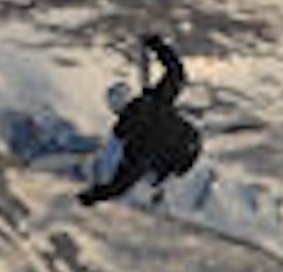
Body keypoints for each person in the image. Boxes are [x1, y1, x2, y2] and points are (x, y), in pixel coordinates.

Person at [78, 34, 201, 206]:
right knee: (144, 161)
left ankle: (157, 195)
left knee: (134, 167)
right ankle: (159, 189)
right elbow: (176, 73)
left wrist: (95, 195)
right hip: (192, 142)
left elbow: (122, 182)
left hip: (176, 165)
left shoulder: (135, 141)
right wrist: (159, 47)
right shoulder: (157, 99)